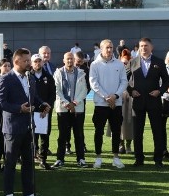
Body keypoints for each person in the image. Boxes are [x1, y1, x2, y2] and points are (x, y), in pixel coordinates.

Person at [0, 48, 49, 196]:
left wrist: (42, 105)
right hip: (12, 128)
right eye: (26, 61)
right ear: (16, 62)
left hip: (28, 127)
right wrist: (19, 108)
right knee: (10, 163)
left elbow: (33, 98)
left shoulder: (30, 78)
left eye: (29, 60)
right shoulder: (6, 79)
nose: (29, 63)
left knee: (28, 163)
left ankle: (28, 195)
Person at [128, 38, 169, 167]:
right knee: (137, 132)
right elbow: (123, 80)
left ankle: (158, 159)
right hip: (138, 102)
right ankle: (139, 159)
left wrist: (160, 91)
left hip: (154, 102)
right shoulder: (133, 62)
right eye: (141, 46)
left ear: (151, 47)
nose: (143, 48)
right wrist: (131, 91)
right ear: (138, 48)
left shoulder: (158, 62)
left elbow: (166, 81)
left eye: (146, 46)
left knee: (157, 131)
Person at [89, 39, 128, 169]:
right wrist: (106, 97)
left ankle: (116, 158)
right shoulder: (95, 64)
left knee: (116, 131)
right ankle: (98, 157)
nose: (110, 50)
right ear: (101, 49)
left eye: (111, 47)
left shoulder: (119, 64)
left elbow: (124, 82)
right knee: (98, 131)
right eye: (107, 47)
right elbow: (94, 84)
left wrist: (115, 96)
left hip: (116, 104)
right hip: (101, 104)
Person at [53, 51, 89, 168]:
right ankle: (60, 159)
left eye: (71, 59)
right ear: (63, 60)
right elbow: (56, 90)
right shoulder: (58, 73)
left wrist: (74, 103)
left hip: (77, 108)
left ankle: (81, 159)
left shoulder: (81, 73)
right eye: (67, 59)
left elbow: (84, 90)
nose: (69, 61)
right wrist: (66, 103)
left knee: (79, 134)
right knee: (62, 135)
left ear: (74, 60)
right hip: (63, 109)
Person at [29, 53, 56, 169]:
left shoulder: (49, 77)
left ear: (43, 62)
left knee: (45, 136)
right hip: (31, 111)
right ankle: (31, 158)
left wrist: (47, 108)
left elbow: (52, 94)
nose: (37, 63)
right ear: (31, 63)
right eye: (35, 61)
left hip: (45, 111)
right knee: (31, 137)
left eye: (39, 61)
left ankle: (43, 159)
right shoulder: (27, 76)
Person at [119, 49, 135, 154]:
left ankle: (128, 144)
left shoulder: (134, 68)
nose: (125, 64)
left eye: (127, 62)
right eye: (123, 62)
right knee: (119, 122)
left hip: (130, 97)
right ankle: (121, 144)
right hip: (119, 97)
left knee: (130, 122)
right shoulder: (117, 67)